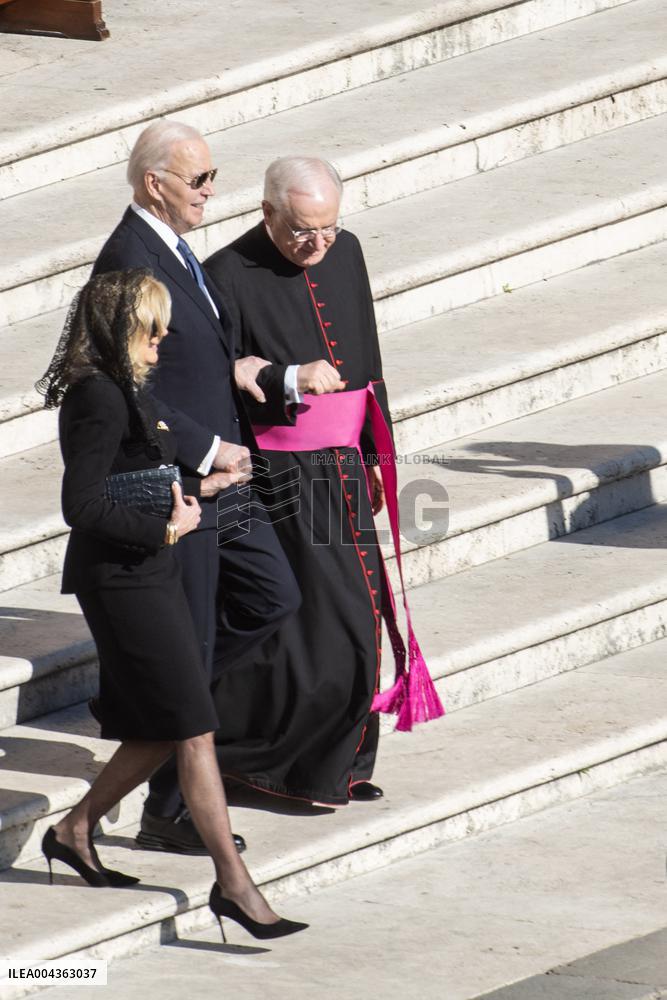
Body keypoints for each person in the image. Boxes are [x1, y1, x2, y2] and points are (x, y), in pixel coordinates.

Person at [35, 269, 307, 940]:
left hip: (149, 573)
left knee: (162, 726)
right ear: (121, 330)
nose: (161, 343)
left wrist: (200, 487)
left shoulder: (127, 390)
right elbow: (84, 503)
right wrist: (163, 527)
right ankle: (234, 887)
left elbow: (137, 478)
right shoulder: (97, 396)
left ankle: (74, 830)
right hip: (122, 580)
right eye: (151, 330)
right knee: (192, 726)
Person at [92, 121, 301, 854]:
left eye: (213, 176)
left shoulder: (173, 248)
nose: (212, 192)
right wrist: (207, 445)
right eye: (200, 179)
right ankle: (169, 806)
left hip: (223, 477)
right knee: (201, 632)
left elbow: (193, 354)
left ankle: (153, 711)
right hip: (182, 481)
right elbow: (126, 383)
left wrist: (243, 374)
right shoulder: (127, 257)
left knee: (273, 595)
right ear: (156, 183)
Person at [203, 157, 398, 807]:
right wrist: (283, 377)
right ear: (267, 213)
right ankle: (266, 760)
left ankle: (339, 764)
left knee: (359, 615)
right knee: (327, 625)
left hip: (343, 462)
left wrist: (375, 451)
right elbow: (208, 374)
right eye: (302, 231)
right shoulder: (226, 273)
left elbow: (366, 358)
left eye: (328, 229)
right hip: (282, 474)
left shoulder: (348, 254)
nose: (317, 244)